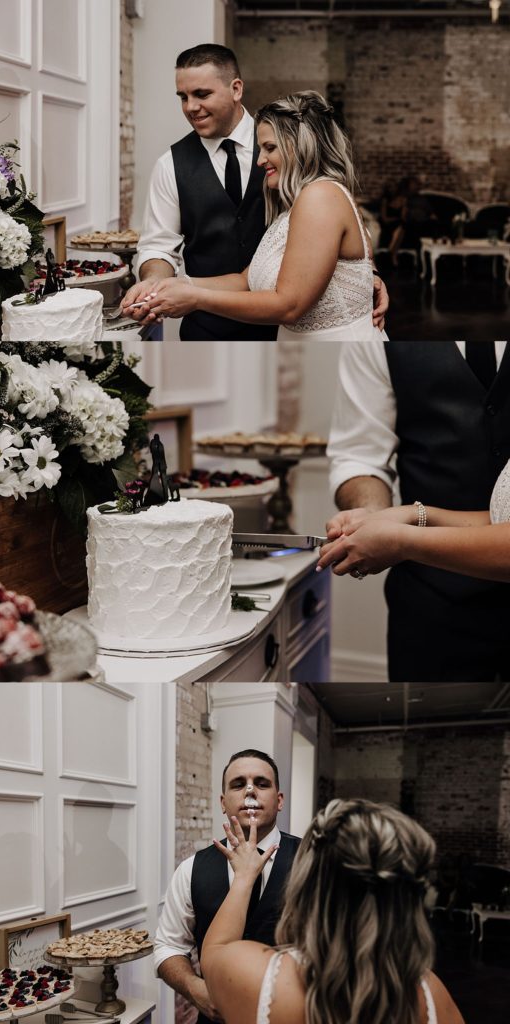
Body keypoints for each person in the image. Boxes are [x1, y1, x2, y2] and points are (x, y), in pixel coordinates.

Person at [122, 51, 389, 341]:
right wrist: (161, 287)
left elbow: (338, 234)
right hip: (212, 330)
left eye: (201, 94)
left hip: (289, 328)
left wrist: (364, 276)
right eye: (183, 97)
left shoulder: (302, 174)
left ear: (236, 89)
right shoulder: (170, 165)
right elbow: (168, 250)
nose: (191, 107)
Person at [322, 340, 510, 682]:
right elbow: (359, 454)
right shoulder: (374, 322)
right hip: (432, 606)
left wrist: (401, 538)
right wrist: (375, 519)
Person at [200, 798, 465, 1024]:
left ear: (308, 883)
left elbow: (214, 951)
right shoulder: (432, 998)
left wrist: (245, 876)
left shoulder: (257, 979)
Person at [153, 749, 300, 1024]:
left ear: (279, 801)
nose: (250, 791)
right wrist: (195, 989)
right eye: (238, 784)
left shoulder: (314, 860)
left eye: (262, 783)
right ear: (223, 802)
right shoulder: (191, 870)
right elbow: (167, 947)